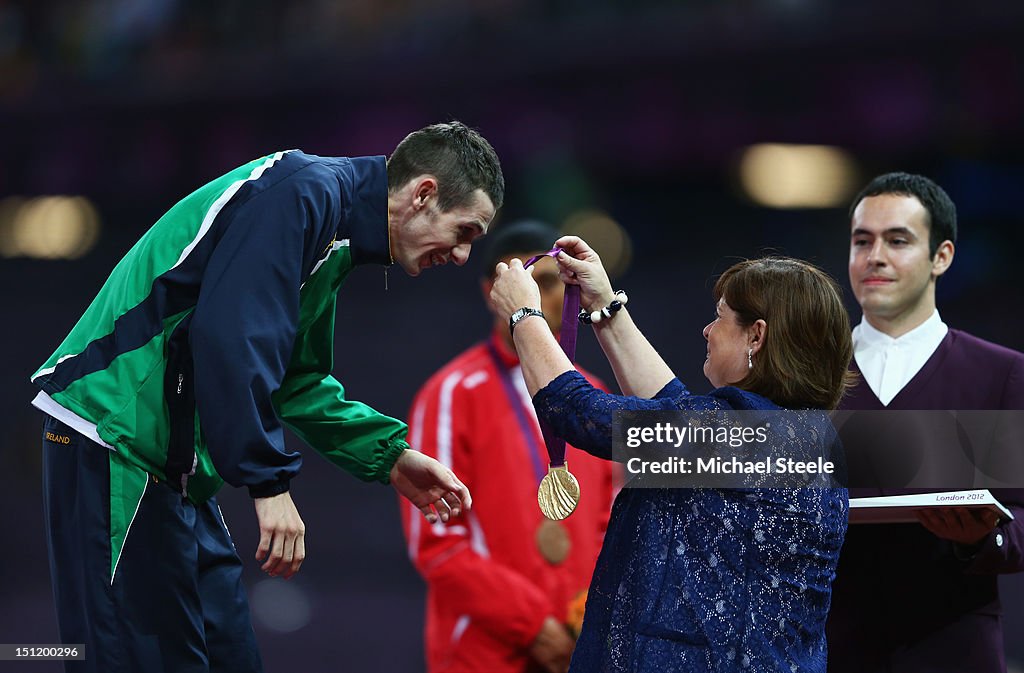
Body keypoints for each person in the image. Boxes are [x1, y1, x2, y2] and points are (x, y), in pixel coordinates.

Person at [31, 121, 503, 673]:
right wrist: (268, 482)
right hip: (111, 437)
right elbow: (231, 335)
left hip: (173, 469)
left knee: (229, 657)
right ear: (423, 194)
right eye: (466, 231)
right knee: (131, 660)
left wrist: (390, 455)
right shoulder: (304, 191)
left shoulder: (336, 231)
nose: (465, 255)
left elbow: (295, 379)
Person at [490, 236, 854, 672]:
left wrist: (524, 316)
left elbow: (579, 411)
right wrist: (606, 307)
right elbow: (675, 412)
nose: (707, 330)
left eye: (719, 317)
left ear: (756, 336)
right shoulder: (800, 437)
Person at [826, 172, 1024, 673]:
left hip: (955, 647)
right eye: (861, 240)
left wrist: (982, 537)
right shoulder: (805, 375)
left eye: (898, 240)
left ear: (942, 256)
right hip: (830, 648)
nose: (875, 256)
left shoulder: (1001, 373)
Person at [401, 221, 618, 673]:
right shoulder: (452, 394)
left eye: (558, 285)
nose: (550, 299)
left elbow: (609, 528)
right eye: (537, 283)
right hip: (484, 653)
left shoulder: (594, 398)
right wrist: (533, 625)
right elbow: (437, 543)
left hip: (580, 649)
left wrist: (589, 617)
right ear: (493, 291)